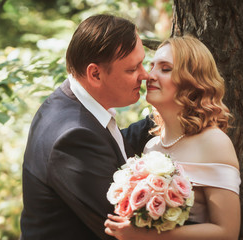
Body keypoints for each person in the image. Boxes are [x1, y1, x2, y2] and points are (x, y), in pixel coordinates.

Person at [20, 14, 154, 240]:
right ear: (95, 74)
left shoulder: (69, 103)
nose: (145, 75)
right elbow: (124, 228)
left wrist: (165, 114)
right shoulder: (72, 136)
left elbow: (112, 147)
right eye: (132, 69)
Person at [104, 35, 241, 240]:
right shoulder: (152, 146)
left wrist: (145, 237)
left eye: (165, 69)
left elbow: (227, 232)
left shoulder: (214, 142)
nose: (150, 76)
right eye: (152, 67)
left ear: (193, 81)